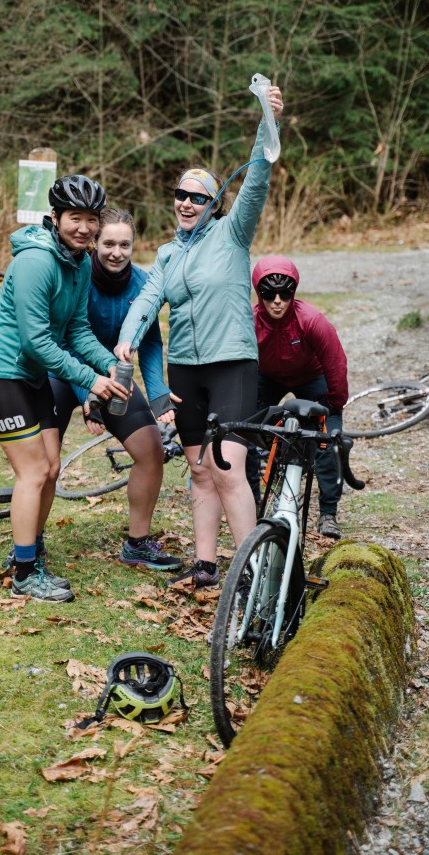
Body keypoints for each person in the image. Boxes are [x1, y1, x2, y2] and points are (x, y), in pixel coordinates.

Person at [116, 85, 284, 588]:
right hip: (186, 370)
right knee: (198, 470)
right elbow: (147, 301)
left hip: (232, 363)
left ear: (214, 203)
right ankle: (206, 565)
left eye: (197, 196)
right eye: (180, 195)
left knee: (229, 466)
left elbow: (257, 179)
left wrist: (266, 123)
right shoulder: (168, 254)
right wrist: (127, 338)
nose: (186, 203)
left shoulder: (232, 234)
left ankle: (250, 568)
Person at [0, 175, 129, 603]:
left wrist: (110, 364)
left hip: (33, 376)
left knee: (52, 468)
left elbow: (76, 330)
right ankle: (24, 573)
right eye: (75, 218)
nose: (84, 228)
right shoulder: (37, 262)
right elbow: (35, 342)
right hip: (2, 375)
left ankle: (30, 550)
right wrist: (90, 379)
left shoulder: (78, 263)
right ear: (55, 218)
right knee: (34, 471)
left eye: (91, 219)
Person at [49, 207, 182, 571]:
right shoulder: (75, 277)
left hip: (115, 377)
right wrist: (87, 395)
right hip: (62, 373)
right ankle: (31, 542)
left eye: (125, 244)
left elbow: (151, 342)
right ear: (95, 243)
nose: (116, 252)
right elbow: (61, 340)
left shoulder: (142, 284)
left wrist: (157, 395)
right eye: (108, 243)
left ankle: (137, 543)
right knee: (45, 464)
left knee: (151, 450)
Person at [249, 255, 349, 539]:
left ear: (294, 293)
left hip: (310, 376)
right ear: (259, 293)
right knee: (245, 434)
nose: (277, 301)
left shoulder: (312, 321)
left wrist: (334, 405)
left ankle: (328, 513)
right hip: (267, 376)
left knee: (330, 443)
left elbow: (335, 364)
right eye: (269, 294)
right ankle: (253, 499)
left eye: (285, 294)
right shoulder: (250, 321)